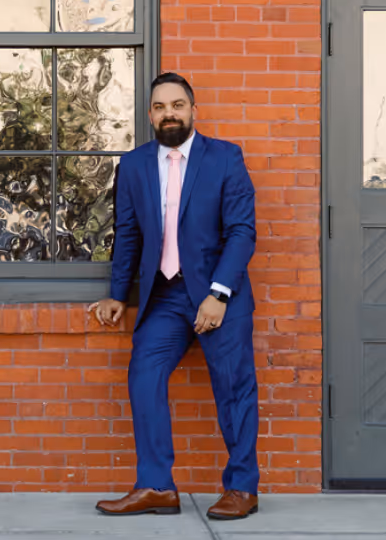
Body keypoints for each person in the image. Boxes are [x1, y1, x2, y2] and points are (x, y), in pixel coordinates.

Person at [90, 72, 260, 521]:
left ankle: (242, 487)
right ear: (150, 115)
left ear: (193, 110)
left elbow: (242, 232)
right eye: (160, 107)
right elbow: (128, 233)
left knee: (234, 387)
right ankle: (156, 486)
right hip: (164, 296)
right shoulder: (134, 165)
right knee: (144, 375)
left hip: (218, 294)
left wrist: (218, 294)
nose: (169, 113)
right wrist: (117, 294)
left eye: (177, 105)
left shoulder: (225, 158)